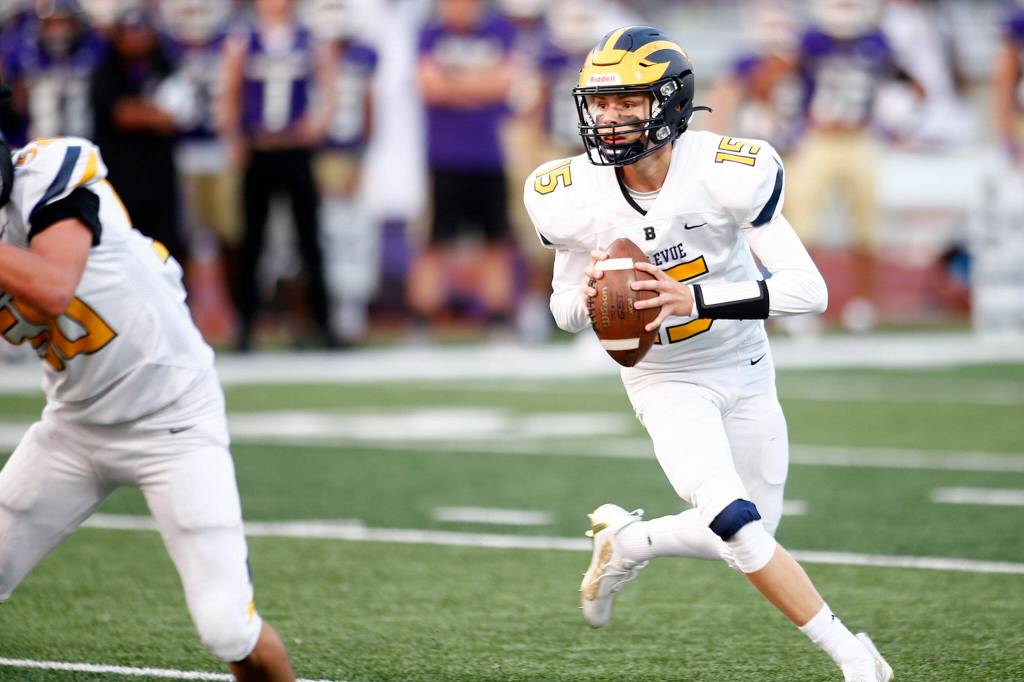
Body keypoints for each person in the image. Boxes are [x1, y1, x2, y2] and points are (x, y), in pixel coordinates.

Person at [523, 26, 892, 682]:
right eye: (601, 103)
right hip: (664, 378)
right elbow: (563, 310)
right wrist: (592, 294)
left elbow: (808, 290)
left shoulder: (726, 169)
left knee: (755, 530)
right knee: (737, 524)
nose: (610, 118)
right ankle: (854, 656)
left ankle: (628, 542)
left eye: (628, 102)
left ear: (669, 103)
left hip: (744, 365)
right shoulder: (571, 190)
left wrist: (692, 298)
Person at [0, 131, 295, 680]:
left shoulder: (46, 176)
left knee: (226, 627)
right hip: (72, 429)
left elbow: (53, 288)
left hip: (173, 422)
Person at [219, 0, 336, 350]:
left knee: (309, 239)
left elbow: (329, 86)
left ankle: (321, 323)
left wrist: (318, 123)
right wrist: (233, 137)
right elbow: (230, 91)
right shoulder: (243, 40)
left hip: (295, 150)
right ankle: (246, 326)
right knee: (253, 241)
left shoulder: (309, 39)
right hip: (259, 149)